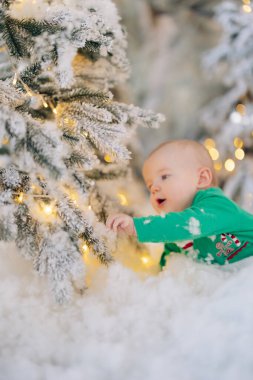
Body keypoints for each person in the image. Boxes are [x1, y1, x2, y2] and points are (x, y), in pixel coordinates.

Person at [106, 139, 253, 268]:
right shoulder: (175, 235)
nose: (155, 188)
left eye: (164, 176)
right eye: (150, 186)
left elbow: (184, 225)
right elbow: (171, 265)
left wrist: (136, 227)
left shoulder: (215, 204)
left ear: (201, 179)